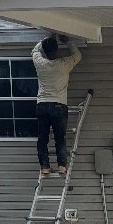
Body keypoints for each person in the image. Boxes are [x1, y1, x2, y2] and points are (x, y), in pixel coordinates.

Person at [32, 33, 82, 175]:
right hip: (58, 106)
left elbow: (34, 51)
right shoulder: (64, 64)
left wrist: (45, 39)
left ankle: (45, 167)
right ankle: (61, 166)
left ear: (46, 52)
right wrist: (68, 42)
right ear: (57, 51)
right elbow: (77, 56)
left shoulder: (40, 63)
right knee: (60, 137)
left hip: (42, 105)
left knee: (43, 138)